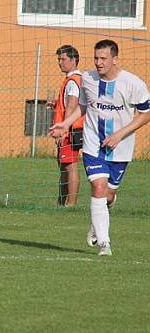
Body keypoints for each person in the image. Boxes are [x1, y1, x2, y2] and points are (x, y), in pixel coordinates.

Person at [50, 39, 150, 256]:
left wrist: (120, 134)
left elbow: (146, 113)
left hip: (121, 147)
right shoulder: (88, 79)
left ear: (115, 59)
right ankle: (105, 244)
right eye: (96, 58)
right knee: (97, 187)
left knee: (108, 195)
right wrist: (65, 124)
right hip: (93, 144)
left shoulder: (133, 84)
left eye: (103, 58)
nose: (98, 62)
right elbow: (84, 106)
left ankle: (98, 223)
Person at [46, 45, 84, 207]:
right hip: (69, 129)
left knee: (70, 166)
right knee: (63, 165)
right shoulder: (71, 79)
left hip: (70, 131)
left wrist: (64, 131)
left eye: (63, 59)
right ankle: (61, 202)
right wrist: (55, 104)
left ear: (74, 60)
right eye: (58, 59)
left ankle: (71, 204)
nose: (60, 62)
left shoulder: (73, 82)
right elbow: (66, 104)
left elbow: (72, 106)